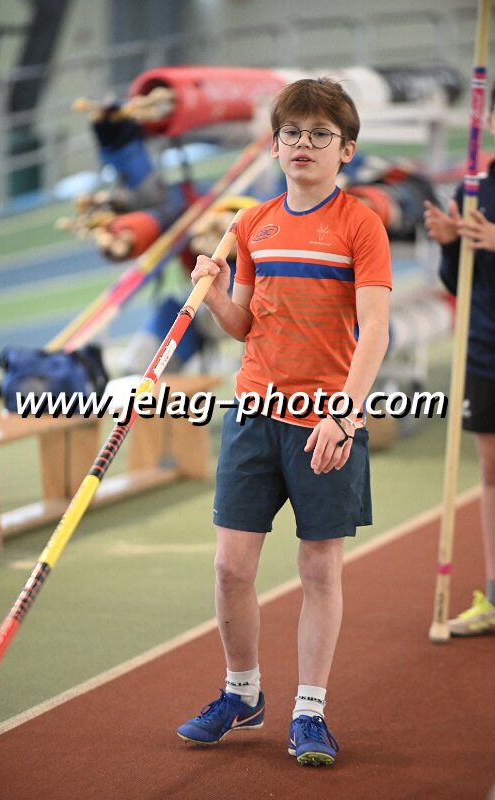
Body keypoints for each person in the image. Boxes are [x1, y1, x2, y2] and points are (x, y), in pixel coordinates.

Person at [176, 78, 392, 766]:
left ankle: (310, 712)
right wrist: (214, 293)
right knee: (229, 567)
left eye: (320, 134)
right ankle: (241, 693)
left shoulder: (360, 224)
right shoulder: (252, 223)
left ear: (345, 150)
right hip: (253, 413)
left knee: (318, 569)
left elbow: (376, 330)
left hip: (325, 421)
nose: (304, 143)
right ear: (273, 145)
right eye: (292, 133)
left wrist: (344, 414)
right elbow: (245, 324)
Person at [424, 91, 495, 636]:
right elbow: (459, 284)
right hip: (484, 350)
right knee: (490, 470)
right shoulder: (476, 190)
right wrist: (452, 245)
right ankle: (494, 593)